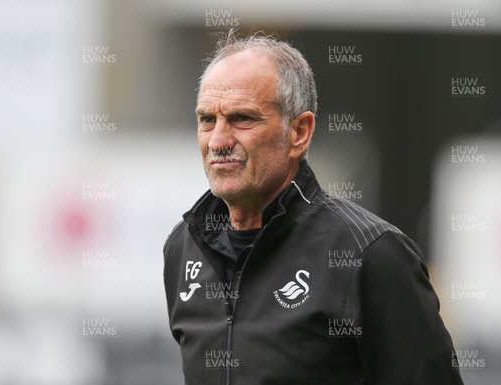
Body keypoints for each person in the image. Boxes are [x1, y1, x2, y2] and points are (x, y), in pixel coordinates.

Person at [163, 31, 464, 385]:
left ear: (299, 132)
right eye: (207, 120)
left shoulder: (370, 253)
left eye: (242, 119)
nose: (218, 141)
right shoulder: (183, 247)